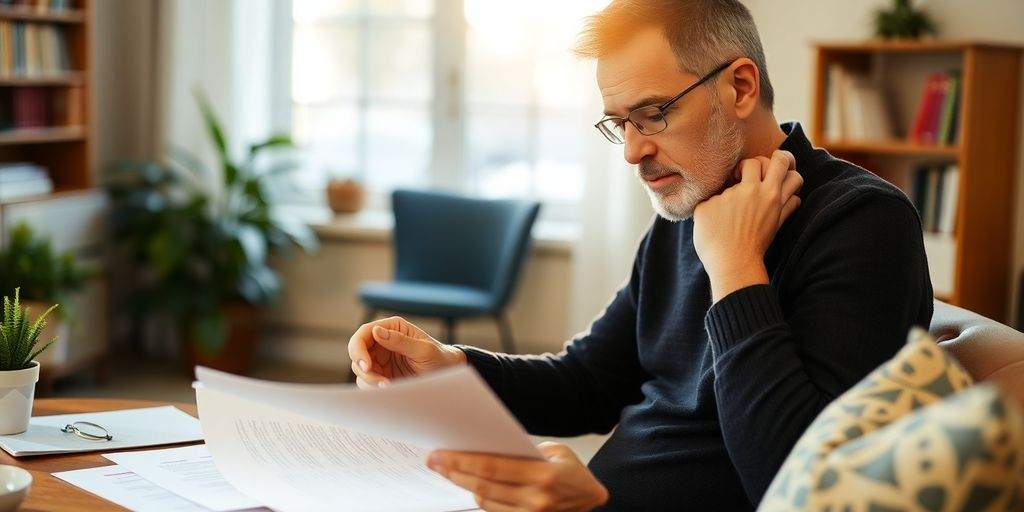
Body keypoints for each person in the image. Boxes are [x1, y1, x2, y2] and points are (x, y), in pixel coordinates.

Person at [348, 0, 933, 510]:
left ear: (740, 87)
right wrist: (453, 368)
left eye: (655, 114)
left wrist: (734, 270)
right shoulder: (691, 202)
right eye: (618, 123)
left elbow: (791, 482)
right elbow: (589, 382)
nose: (632, 152)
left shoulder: (860, 222)